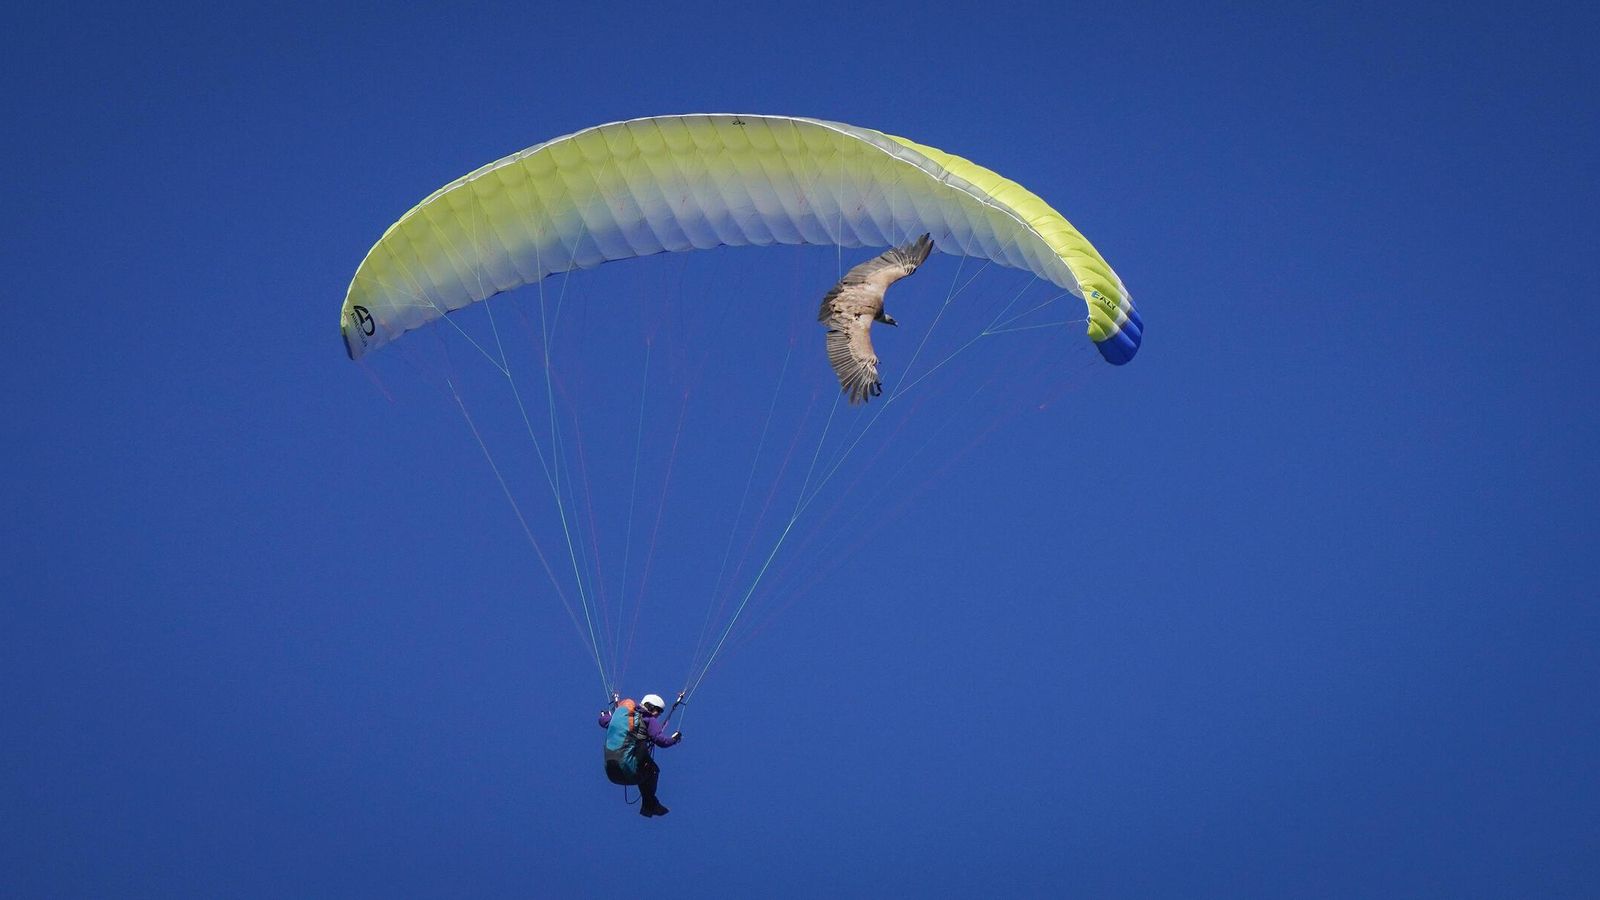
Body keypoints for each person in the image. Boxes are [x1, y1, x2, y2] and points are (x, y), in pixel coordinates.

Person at [599, 693, 681, 817]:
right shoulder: (648, 719)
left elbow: (603, 721)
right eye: (658, 711)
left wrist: (605, 715)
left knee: (642, 760)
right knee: (652, 770)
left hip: (611, 772)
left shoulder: (624, 717)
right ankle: (649, 805)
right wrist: (675, 739)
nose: (658, 715)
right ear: (650, 707)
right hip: (628, 772)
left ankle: (650, 804)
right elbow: (661, 741)